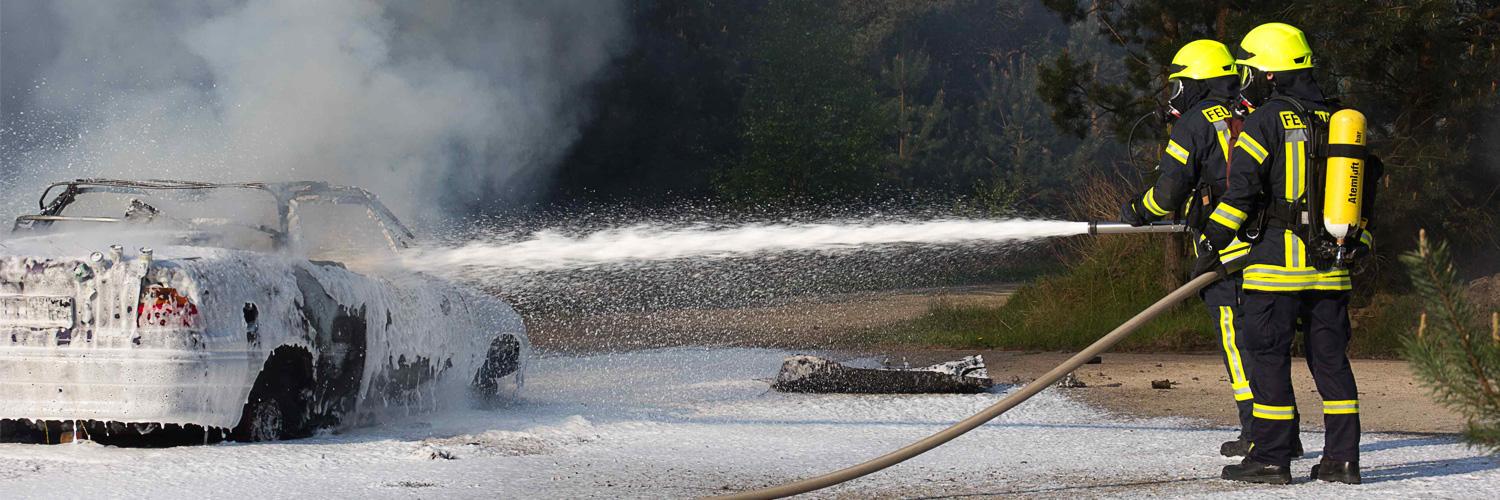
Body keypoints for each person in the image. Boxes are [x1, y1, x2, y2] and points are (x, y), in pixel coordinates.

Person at [1205, 22, 1372, 485]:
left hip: (1276, 269)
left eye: (1250, 72)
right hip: (1332, 268)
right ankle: (1343, 460)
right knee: (1331, 363)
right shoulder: (1338, 120)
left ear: (1269, 74)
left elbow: (1241, 193)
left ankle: (1271, 458)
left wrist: (1213, 240)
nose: (1246, 81)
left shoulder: (1266, 119)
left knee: (1268, 360)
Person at [1120, 39, 1275, 458]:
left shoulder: (1193, 123)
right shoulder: (1253, 112)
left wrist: (1137, 209)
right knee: (1265, 343)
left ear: (1197, 83)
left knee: (1236, 341)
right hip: (1268, 246)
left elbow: (1168, 193)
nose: (1174, 96)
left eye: (1178, 85)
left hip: (1225, 250)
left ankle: (1256, 432)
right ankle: (1281, 431)